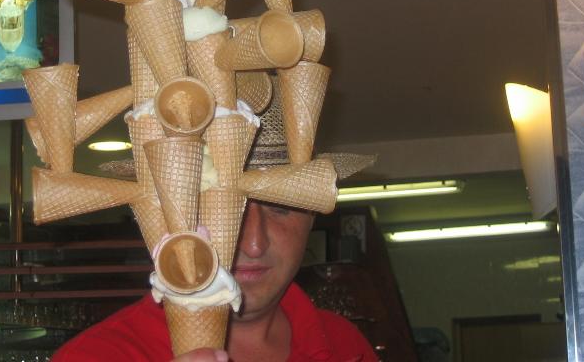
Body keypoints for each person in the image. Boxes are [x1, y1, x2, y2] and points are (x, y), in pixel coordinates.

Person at [52, 83, 378, 362]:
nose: (253, 244)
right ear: (164, 211)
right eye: (218, 205)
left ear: (312, 215)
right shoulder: (94, 356)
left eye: (281, 207)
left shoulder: (346, 344)